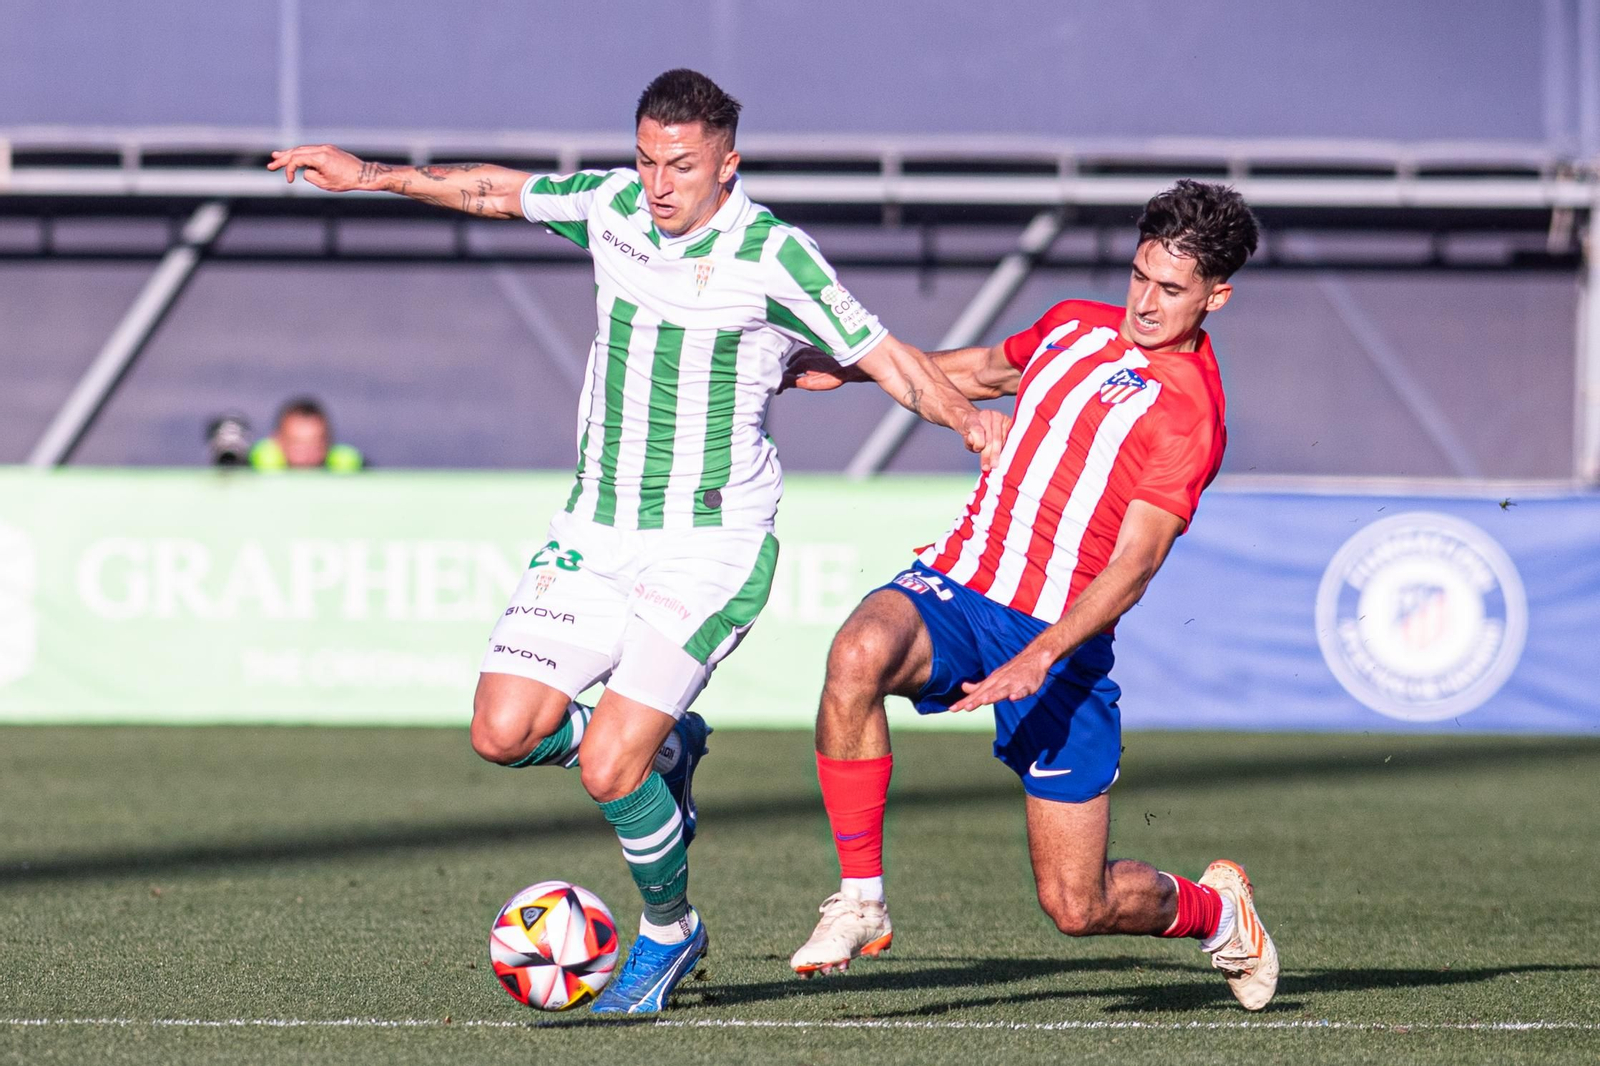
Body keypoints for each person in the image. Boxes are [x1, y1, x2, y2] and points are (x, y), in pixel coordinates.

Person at [268, 69, 1004, 1014]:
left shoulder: (775, 255)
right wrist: (368, 174)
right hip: (593, 530)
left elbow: (886, 356)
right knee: (501, 732)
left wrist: (973, 430)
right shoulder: (613, 207)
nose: (660, 184)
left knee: (608, 766)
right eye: (649, 159)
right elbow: (495, 190)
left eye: (683, 166)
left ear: (727, 165)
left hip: (708, 548)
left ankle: (669, 930)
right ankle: (665, 755)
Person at [783, 180, 1279, 1011]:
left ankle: (1217, 910)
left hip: (1059, 645)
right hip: (960, 585)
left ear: (1216, 296)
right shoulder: (1074, 324)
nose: (1145, 303)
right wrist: (860, 367)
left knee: (1075, 906)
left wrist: (1040, 655)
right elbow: (980, 371)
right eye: (1139, 277)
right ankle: (861, 898)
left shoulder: (1191, 415)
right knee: (858, 650)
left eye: (1171, 290)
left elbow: (1134, 566)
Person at [249, 397, 364, 472]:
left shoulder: (358, 473)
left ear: (328, 442)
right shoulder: (248, 470)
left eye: (315, 445)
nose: (306, 456)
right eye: (297, 445)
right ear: (277, 440)